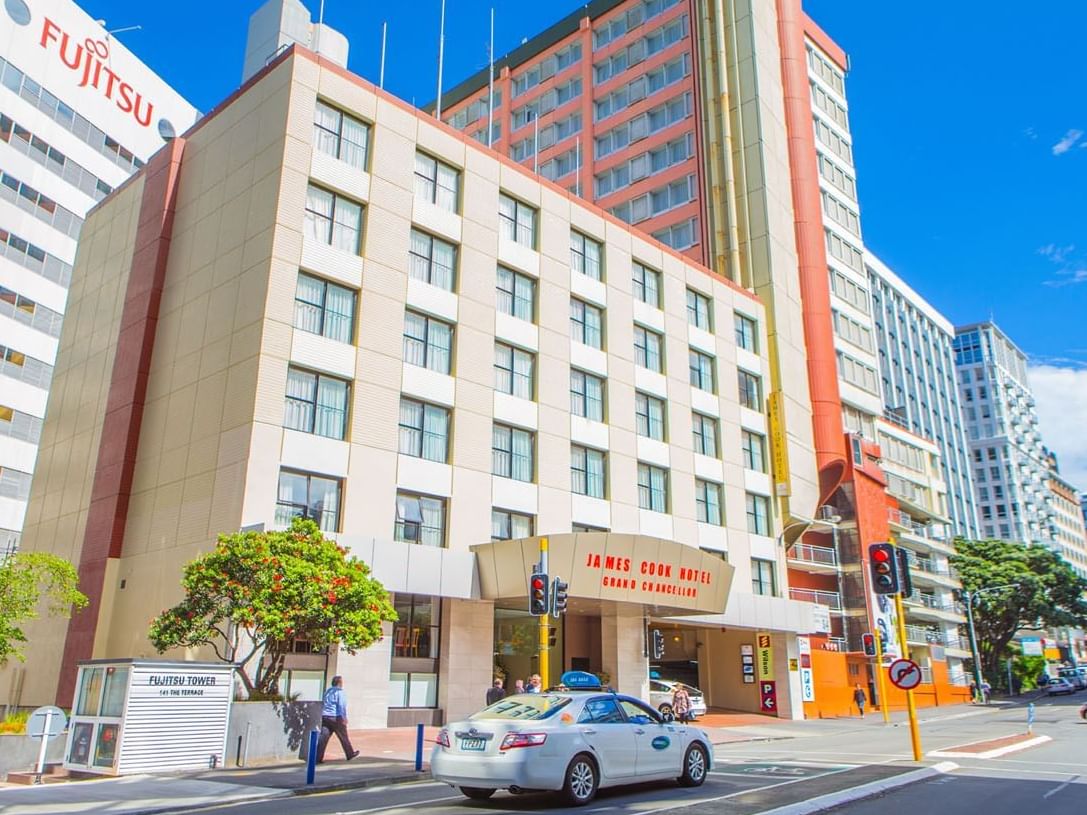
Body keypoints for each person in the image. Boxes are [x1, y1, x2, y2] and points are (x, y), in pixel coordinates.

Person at [316, 676, 359, 763]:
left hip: (325, 716)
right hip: (335, 717)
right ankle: (350, 753)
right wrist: (344, 717)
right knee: (343, 736)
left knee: (323, 737)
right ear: (339, 683)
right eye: (341, 682)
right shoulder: (340, 692)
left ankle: (317, 757)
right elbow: (341, 706)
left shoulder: (327, 691)